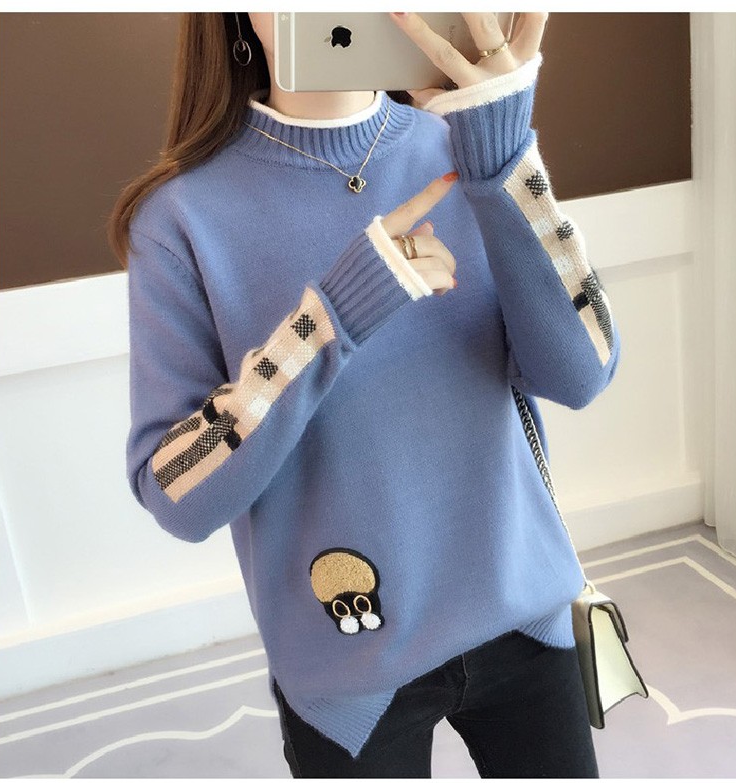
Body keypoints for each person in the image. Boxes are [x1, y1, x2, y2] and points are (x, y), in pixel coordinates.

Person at [110, 11, 619, 778]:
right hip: (346, 669)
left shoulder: (468, 148)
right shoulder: (180, 219)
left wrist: (506, 156)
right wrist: (331, 319)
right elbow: (176, 493)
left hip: (526, 620)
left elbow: (583, 371)